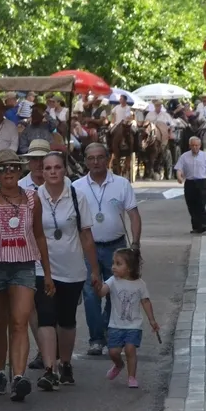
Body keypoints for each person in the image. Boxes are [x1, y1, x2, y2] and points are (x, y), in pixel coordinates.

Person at [0, 150, 54, 402]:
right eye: (2, 168)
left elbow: (39, 235)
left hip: (24, 265)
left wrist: (48, 273)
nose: (8, 172)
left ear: (20, 171)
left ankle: (18, 376)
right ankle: (0, 371)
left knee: (20, 322)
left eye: (13, 168)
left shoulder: (32, 199)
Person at [32, 152, 101, 390]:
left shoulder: (76, 196)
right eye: (48, 168)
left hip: (71, 267)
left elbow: (86, 235)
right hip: (42, 267)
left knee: (67, 320)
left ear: (65, 170)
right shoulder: (34, 197)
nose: (52, 172)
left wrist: (94, 270)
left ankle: (66, 363)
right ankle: (50, 369)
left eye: (57, 167)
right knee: (46, 317)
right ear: (42, 171)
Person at [73, 143, 142, 356]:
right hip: (88, 248)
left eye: (100, 157)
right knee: (91, 292)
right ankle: (96, 339)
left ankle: (105, 327)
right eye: (91, 158)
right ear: (85, 161)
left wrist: (135, 245)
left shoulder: (121, 184)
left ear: (107, 159)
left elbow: (134, 215)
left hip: (117, 247)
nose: (95, 162)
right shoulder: (76, 186)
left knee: (116, 292)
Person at [96, 249, 159, 389]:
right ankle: (119, 365)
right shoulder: (112, 281)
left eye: (118, 264)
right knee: (113, 352)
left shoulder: (140, 284)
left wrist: (152, 320)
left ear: (129, 268)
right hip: (115, 325)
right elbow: (102, 293)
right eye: (113, 263)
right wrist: (97, 286)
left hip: (133, 325)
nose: (113, 267)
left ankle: (132, 377)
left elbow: (146, 301)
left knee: (130, 349)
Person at [19, 139, 51, 370]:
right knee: (31, 307)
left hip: (58, 254)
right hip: (29, 254)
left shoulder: (62, 183)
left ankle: (56, 350)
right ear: (28, 162)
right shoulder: (19, 187)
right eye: (35, 159)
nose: (39, 164)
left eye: (43, 159)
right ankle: (43, 350)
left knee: (54, 306)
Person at [175, 136, 206, 234]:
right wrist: (179, 177)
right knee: (191, 205)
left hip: (202, 182)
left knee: (201, 204)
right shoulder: (184, 156)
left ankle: (203, 224)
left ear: (200, 146)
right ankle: (196, 226)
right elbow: (179, 168)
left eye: (196, 145)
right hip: (190, 183)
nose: (195, 147)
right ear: (189, 146)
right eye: (193, 145)